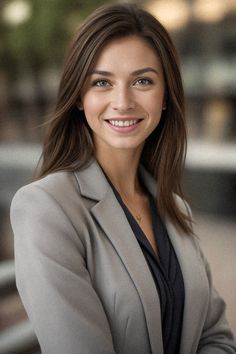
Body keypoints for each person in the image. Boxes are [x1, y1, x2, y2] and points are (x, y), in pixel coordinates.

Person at [10, 3, 236, 354]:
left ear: (165, 97)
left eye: (142, 81)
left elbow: (217, 338)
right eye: (102, 82)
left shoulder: (174, 208)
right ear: (79, 98)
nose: (123, 101)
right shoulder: (45, 207)